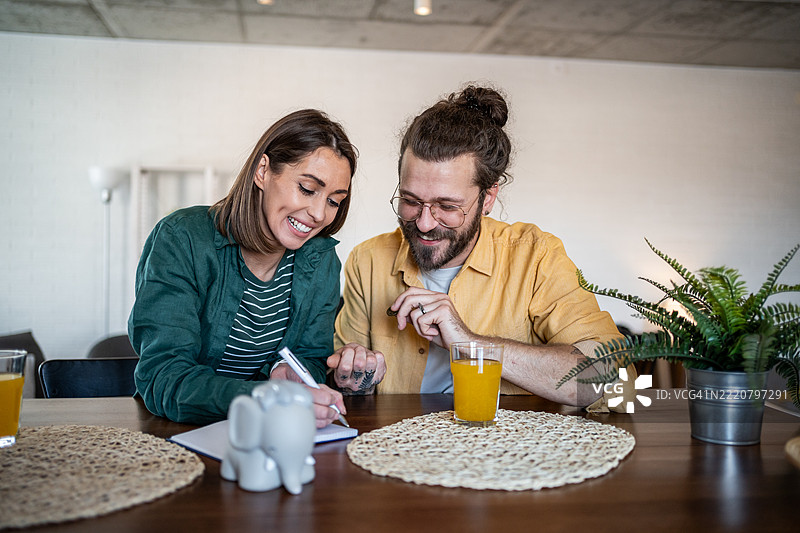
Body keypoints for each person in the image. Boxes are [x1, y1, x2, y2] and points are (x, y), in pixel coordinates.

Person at [329, 85, 622, 406]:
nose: (424, 223)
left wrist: (471, 343)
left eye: (448, 206)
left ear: (488, 197)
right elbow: (353, 396)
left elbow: (611, 382)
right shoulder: (367, 260)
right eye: (411, 201)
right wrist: (354, 379)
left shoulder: (537, 256)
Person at [129, 109, 358, 425]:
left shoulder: (321, 262)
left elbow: (312, 357)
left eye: (334, 201)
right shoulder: (182, 239)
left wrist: (288, 373)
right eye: (307, 188)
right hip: (177, 432)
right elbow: (164, 377)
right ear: (263, 171)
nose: (319, 213)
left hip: (273, 433)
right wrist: (265, 397)